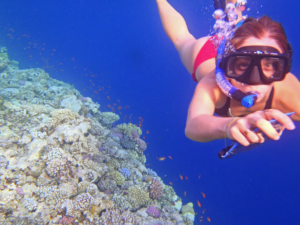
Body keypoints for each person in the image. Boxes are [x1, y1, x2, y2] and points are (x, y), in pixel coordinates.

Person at [156, 0, 300, 147]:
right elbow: (193, 125)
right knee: (182, 39)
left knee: (238, 25)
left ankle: (234, 8)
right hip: (205, 54)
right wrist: (230, 125)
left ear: (283, 68)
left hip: (237, 45)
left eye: (269, 65)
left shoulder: (287, 90)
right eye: (243, 65)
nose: (254, 80)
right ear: (227, 65)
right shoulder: (212, 84)